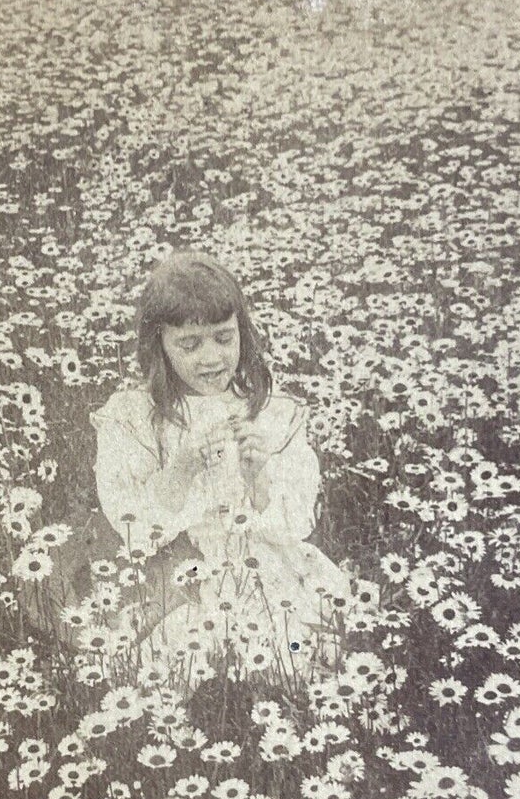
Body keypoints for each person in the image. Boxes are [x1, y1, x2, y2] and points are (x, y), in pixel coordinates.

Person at [86, 252, 350, 681]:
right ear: (160, 346)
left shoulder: (270, 413)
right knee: (173, 661)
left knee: (294, 648)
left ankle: (276, 697)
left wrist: (257, 477)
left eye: (224, 338)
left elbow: (299, 518)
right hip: (175, 570)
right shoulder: (133, 419)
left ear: (242, 334)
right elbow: (130, 524)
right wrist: (183, 469)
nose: (211, 358)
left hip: (261, 562)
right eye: (190, 345)